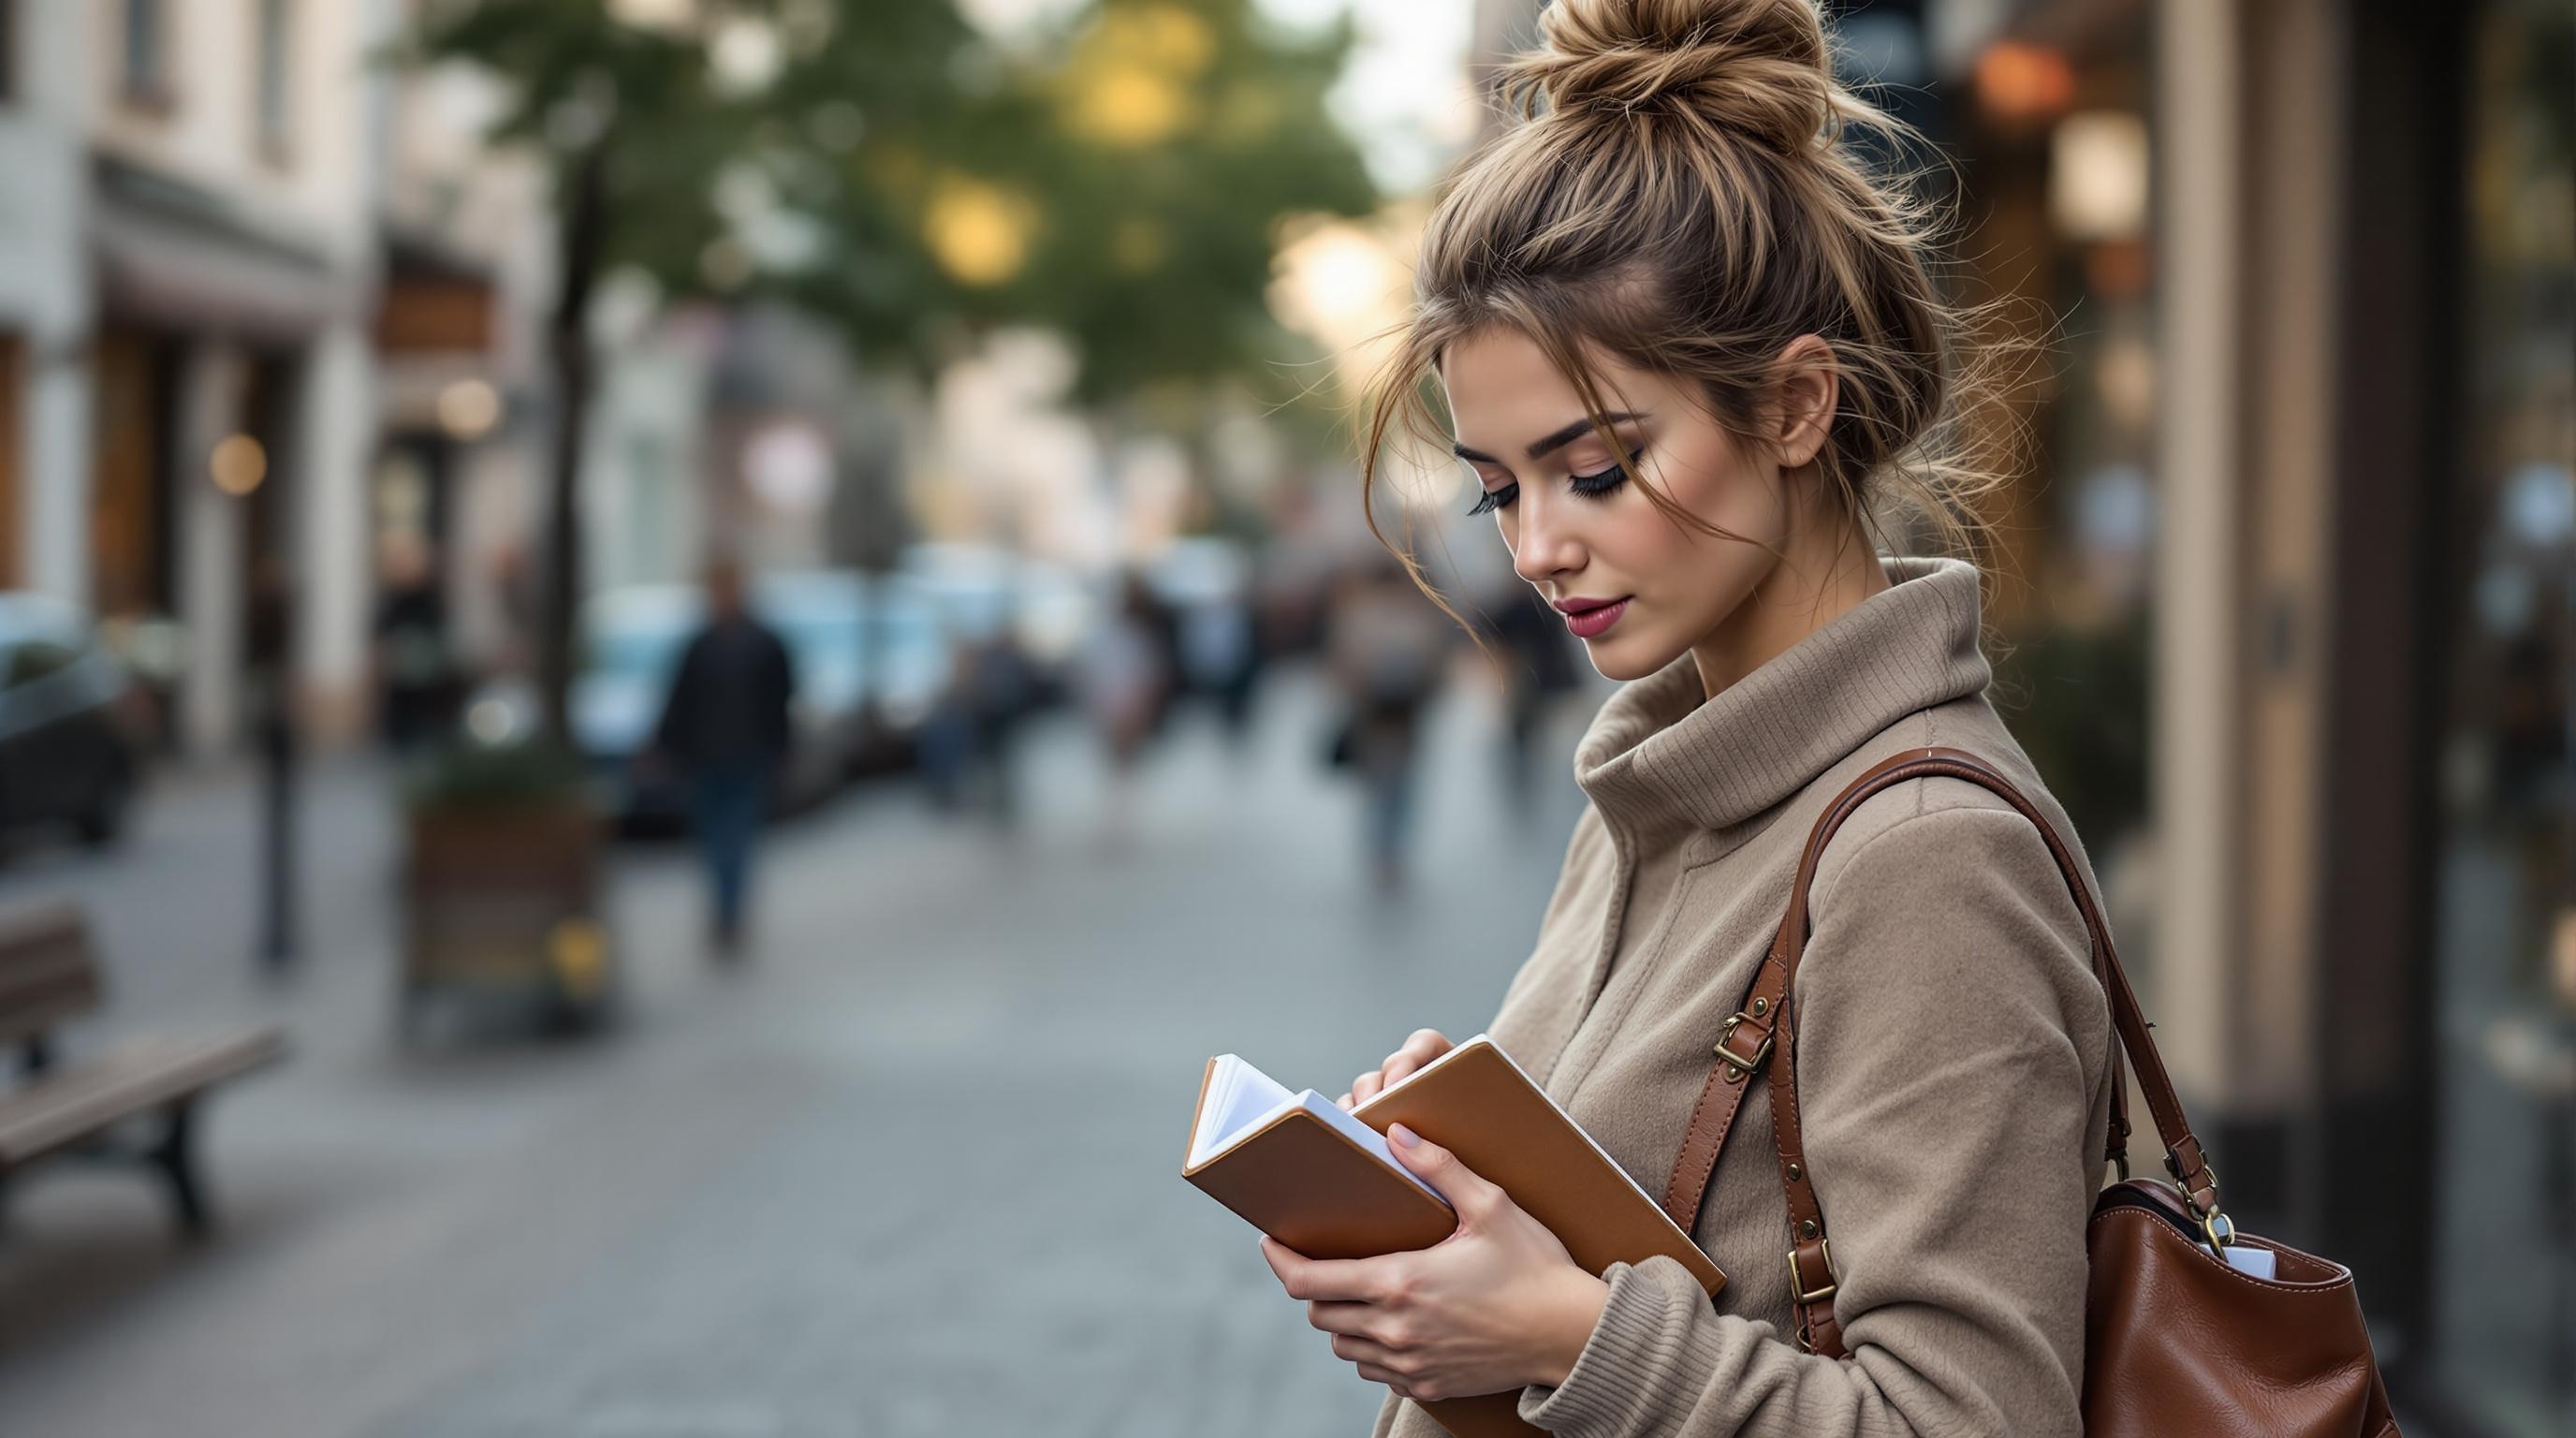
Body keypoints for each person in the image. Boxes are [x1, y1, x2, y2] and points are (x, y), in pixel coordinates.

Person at [1256, 4, 2120, 1435]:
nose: (1536, 547)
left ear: (1792, 407)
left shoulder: (1923, 854)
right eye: (1497, 488)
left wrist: (1563, 1330)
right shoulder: (1665, 789)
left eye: (1593, 468)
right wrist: (1465, 1166)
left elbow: (1972, 1420)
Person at [650, 560, 795, 957]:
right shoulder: (701, 644)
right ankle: (724, 911)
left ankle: (730, 914)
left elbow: (781, 702)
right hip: (707, 759)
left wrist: (781, 751)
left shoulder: (762, 642)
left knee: (736, 839)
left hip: (748, 757)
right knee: (715, 840)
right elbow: (679, 701)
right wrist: (665, 747)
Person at [1325, 557, 1451, 892]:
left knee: (1378, 787)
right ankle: (1391, 853)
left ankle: (1381, 853)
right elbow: (1437, 665)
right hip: (1407, 717)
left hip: (1372, 716)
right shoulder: (1417, 613)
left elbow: (1342, 664)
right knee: (1403, 786)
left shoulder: (1356, 614)